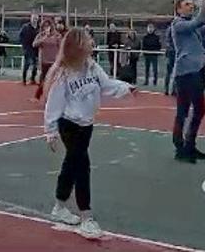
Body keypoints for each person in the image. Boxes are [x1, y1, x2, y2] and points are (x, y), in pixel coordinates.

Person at [44, 28, 136, 239]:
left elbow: (107, 85)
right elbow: (53, 103)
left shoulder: (92, 67)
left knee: (71, 164)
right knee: (82, 166)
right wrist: (50, 130)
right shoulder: (63, 73)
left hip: (86, 125)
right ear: (77, 45)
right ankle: (87, 217)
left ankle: (59, 206)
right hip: (69, 124)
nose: (92, 42)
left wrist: (125, 88)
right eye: (87, 39)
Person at [171, 0, 205, 164]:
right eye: (187, 5)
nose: (190, 7)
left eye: (192, 5)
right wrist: (204, 3)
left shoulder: (193, 27)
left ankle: (189, 145)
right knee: (184, 111)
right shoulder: (178, 25)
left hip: (196, 71)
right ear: (178, 10)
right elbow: (198, 21)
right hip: (185, 73)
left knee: (198, 109)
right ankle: (180, 146)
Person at [33, 18, 63, 100]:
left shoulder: (57, 36)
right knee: (44, 79)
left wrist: (60, 59)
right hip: (44, 61)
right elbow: (34, 44)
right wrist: (44, 37)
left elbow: (61, 47)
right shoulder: (41, 35)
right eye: (45, 26)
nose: (47, 28)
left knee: (55, 80)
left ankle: (50, 96)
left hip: (54, 61)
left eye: (48, 26)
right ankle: (40, 96)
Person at [19, 15, 39, 85]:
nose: (35, 20)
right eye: (33, 18)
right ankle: (24, 79)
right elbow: (20, 36)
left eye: (36, 19)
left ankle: (32, 78)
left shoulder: (39, 28)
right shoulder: (25, 27)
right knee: (27, 64)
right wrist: (24, 45)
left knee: (35, 65)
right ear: (31, 19)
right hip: (28, 48)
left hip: (36, 48)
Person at [163, 25, 176, 96]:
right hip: (171, 53)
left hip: (177, 53)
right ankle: (166, 89)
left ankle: (174, 89)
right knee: (168, 72)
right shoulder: (170, 29)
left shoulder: (179, 28)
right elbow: (167, 41)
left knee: (176, 73)